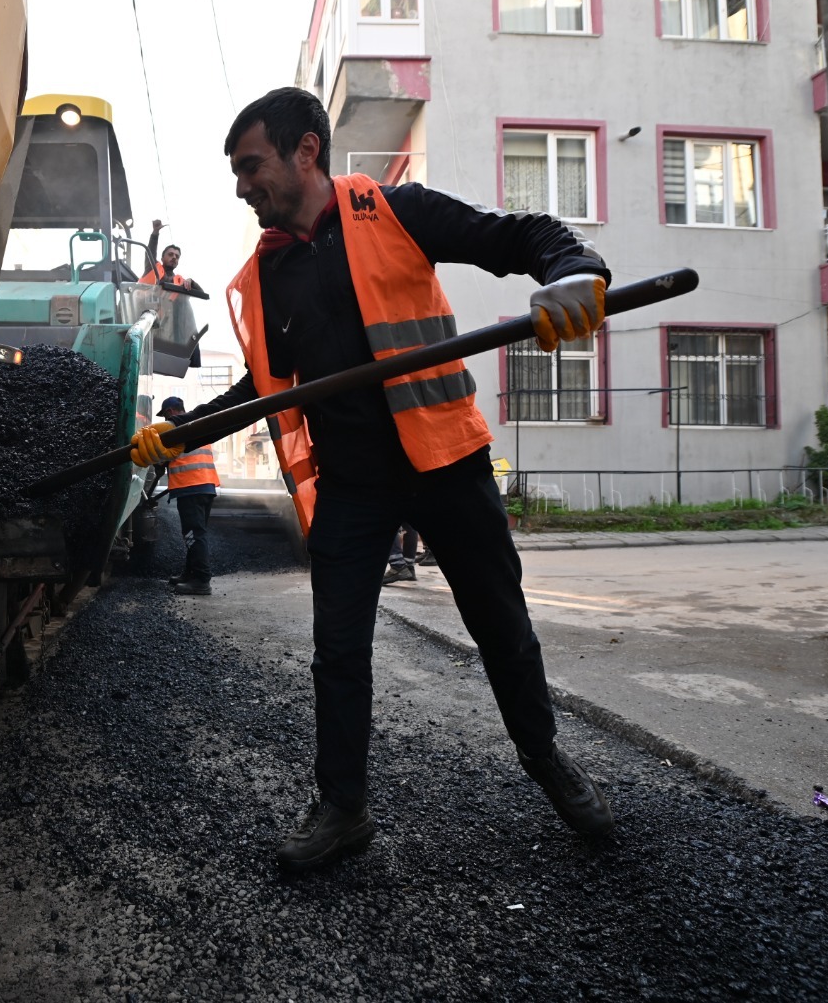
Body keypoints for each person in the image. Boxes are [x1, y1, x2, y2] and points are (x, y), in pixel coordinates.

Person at [130, 86, 615, 873]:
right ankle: (344, 808)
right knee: (338, 652)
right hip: (354, 489)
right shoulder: (269, 273)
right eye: (237, 173)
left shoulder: (397, 211)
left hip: (447, 465)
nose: (242, 186)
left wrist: (575, 271)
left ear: (305, 151)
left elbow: (520, 234)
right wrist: (177, 434)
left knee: (502, 628)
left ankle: (546, 759)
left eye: (252, 166)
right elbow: (263, 388)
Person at [153, 395, 219, 595]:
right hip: (206, 486)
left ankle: (201, 580)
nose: (166, 420)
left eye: (165, 416)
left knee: (193, 534)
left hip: (191, 487)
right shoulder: (196, 425)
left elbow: (163, 458)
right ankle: (190, 574)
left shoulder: (177, 429)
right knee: (193, 533)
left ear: (171, 412)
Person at [142, 219, 205, 294]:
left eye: (177, 256)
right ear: (162, 258)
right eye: (170, 254)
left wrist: (191, 282)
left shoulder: (180, 282)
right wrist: (155, 232)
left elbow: (201, 294)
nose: (174, 257)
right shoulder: (152, 267)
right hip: (142, 305)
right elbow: (150, 253)